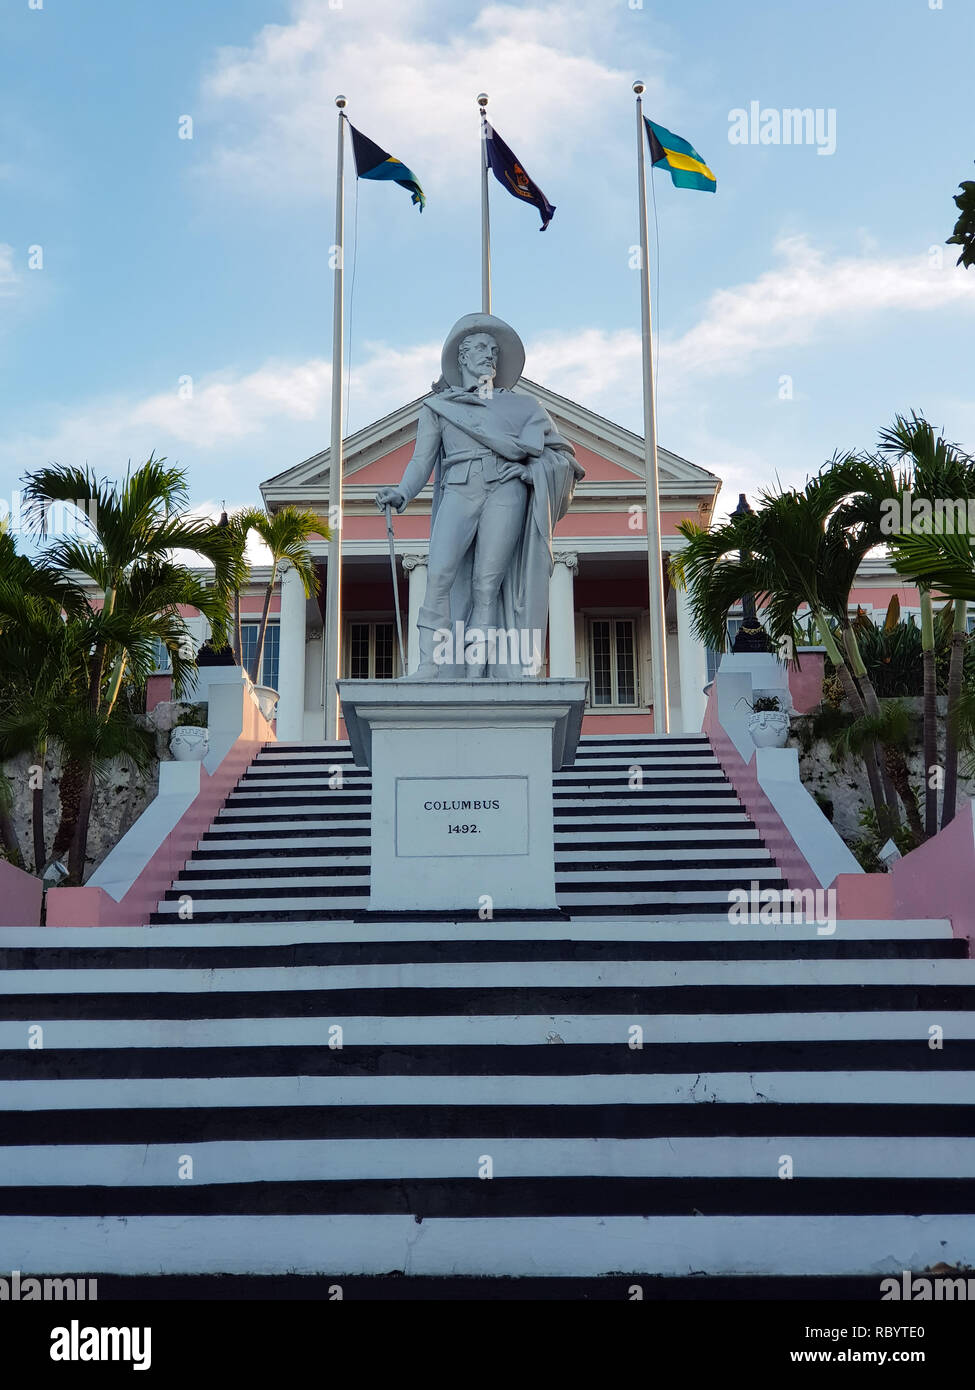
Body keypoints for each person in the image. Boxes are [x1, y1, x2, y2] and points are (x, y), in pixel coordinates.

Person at [375, 312, 584, 678]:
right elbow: (421, 460)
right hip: (459, 487)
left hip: (505, 491)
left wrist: (529, 470)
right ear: (463, 357)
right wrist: (402, 493)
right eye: (483, 349)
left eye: (495, 351)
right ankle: (430, 665)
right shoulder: (439, 407)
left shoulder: (525, 408)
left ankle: (477, 672)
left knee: (486, 585)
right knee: (439, 575)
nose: (491, 356)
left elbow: (564, 459)